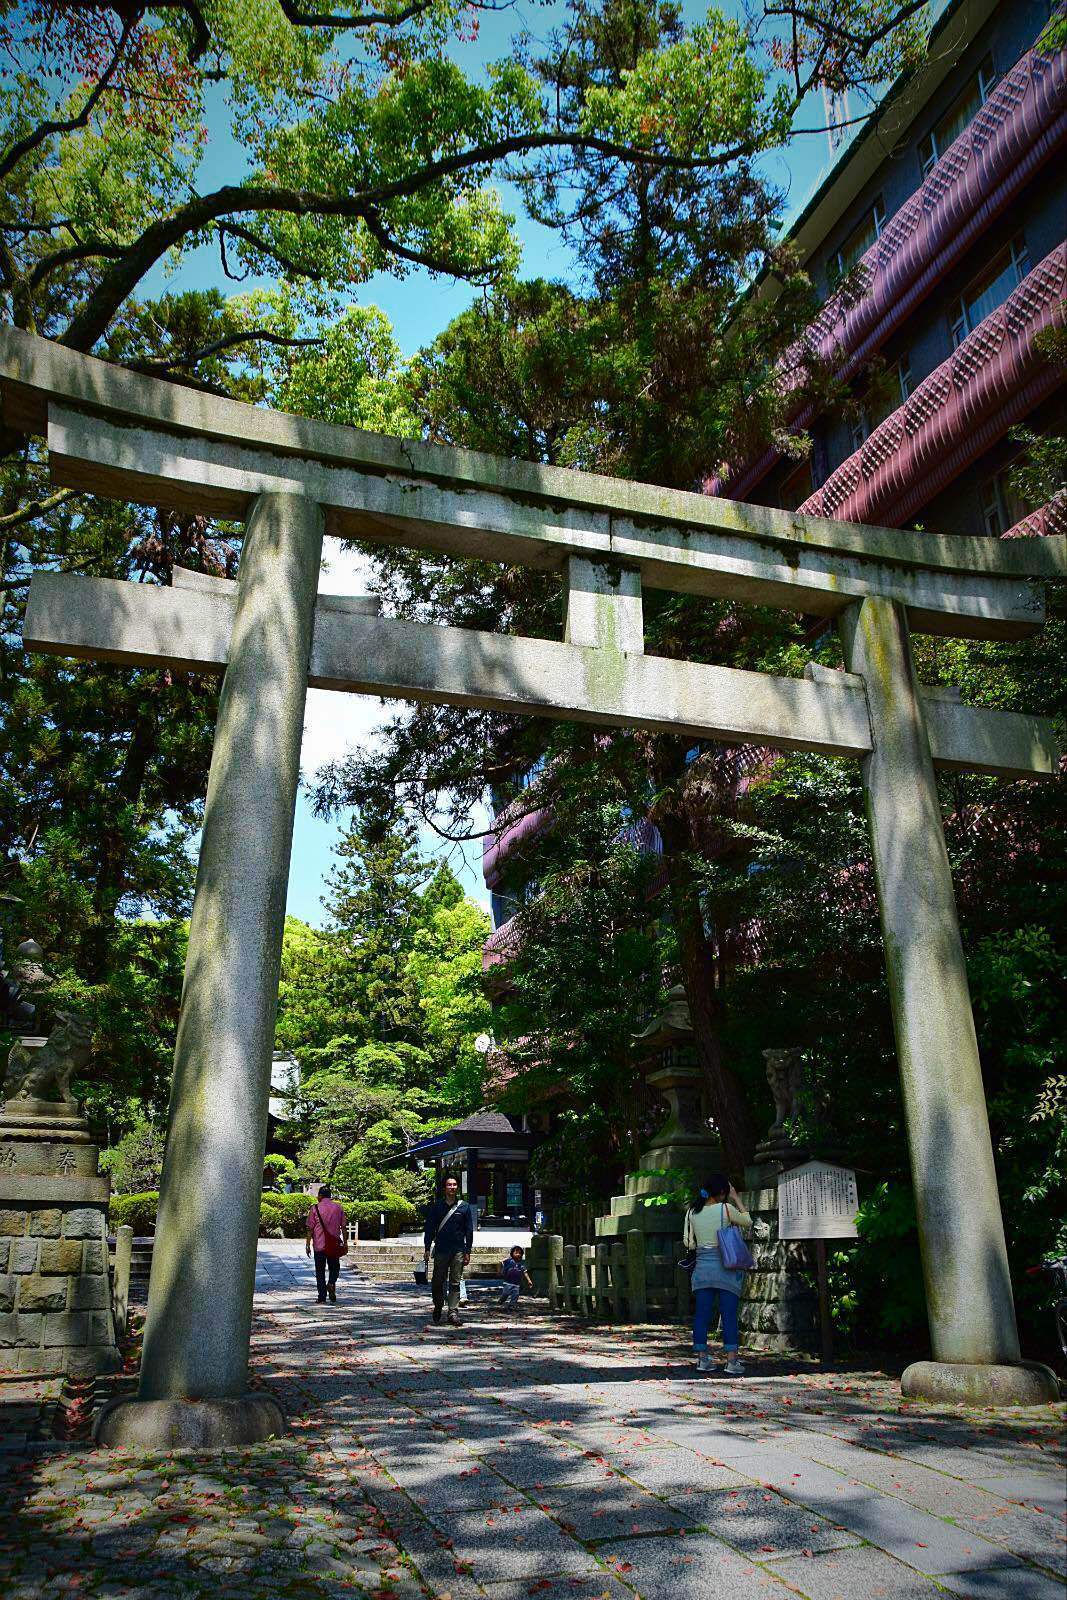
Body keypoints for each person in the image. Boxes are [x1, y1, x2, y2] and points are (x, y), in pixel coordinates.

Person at [684, 1172, 752, 1375]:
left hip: (703, 1269)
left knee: (702, 1315)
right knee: (729, 1314)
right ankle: (731, 1362)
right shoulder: (726, 1208)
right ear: (722, 1192)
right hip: (726, 1268)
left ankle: (702, 1359)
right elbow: (747, 1221)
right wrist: (736, 1197)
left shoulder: (691, 1212)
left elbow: (689, 1243)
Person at [423, 1175, 473, 1326]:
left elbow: (469, 1230)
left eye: (454, 1184)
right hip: (441, 1249)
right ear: (444, 1188)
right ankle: (438, 1305)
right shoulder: (437, 1206)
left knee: (455, 1281)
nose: (452, 1187)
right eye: (449, 1185)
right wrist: (426, 1248)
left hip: (458, 1249)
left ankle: (453, 1311)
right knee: (438, 1280)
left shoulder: (464, 1207)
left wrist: (468, 1250)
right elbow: (430, 1228)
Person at [305, 1184, 348, 1305]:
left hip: (319, 1244)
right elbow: (343, 1227)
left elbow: (310, 1228)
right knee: (335, 1267)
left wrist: (308, 1244)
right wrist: (345, 1243)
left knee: (320, 1271)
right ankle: (331, 1283)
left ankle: (322, 1297)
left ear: (320, 1196)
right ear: (330, 1196)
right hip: (333, 1244)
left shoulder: (315, 1208)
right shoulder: (338, 1207)